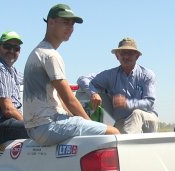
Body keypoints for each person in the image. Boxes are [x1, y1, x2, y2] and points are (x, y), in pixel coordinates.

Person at [23, 4, 119, 146]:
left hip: (38, 127)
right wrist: (90, 123)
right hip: (47, 125)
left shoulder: (38, 52)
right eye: (65, 22)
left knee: (91, 125)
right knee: (114, 132)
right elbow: (70, 100)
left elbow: (60, 100)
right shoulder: (50, 55)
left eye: (72, 24)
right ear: (51, 22)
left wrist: (76, 118)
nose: (70, 28)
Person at [77, 37, 158, 133]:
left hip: (147, 119)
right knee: (115, 130)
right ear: (117, 56)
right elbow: (82, 79)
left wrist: (126, 103)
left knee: (137, 114)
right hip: (122, 122)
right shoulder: (111, 75)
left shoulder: (147, 75)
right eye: (123, 53)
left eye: (130, 53)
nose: (126, 57)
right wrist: (93, 93)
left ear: (137, 56)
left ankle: (126, 146)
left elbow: (149, 103)